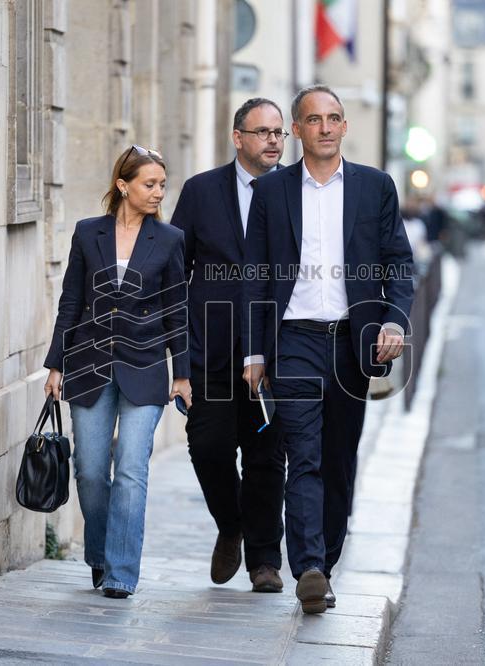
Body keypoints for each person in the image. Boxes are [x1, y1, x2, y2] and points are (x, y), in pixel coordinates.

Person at [243, 85, 414, 614]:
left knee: (339, 460)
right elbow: (254, 275)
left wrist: (394, 320)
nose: (325, 127)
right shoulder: (272, 193)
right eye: (313, 119)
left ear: (344, 127)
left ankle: (327, 564)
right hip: (293, 339)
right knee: (305, 456)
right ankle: (309, 566)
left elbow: (398, 264)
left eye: (334, 118)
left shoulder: (375, 187)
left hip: (351, 342)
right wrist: (254, 352)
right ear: (296, 129)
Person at [43, 145, 191, 599]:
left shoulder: (169, 240)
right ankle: (101, 555)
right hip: (88, 365)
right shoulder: (89, 234)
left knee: (130, 468)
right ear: (123, 186)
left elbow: (177, 310)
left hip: (145, 369)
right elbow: (71, 301)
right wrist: (55, 364)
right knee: (89, 470)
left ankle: (122, 572)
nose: (158, 193)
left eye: (162, 185)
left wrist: (181, 373)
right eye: (150, 184)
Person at [170, 99, 287, 593]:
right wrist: (179, 357)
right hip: (210, 351)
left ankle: (264, 561)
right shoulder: (200, 191)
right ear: (238, 137)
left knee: (266, 459)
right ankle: (231, 525)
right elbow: (175, 272)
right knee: (209, 448)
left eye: (279, 132)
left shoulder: (295, 192)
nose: (274, 141)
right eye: (262, 132)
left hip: (275, 348)